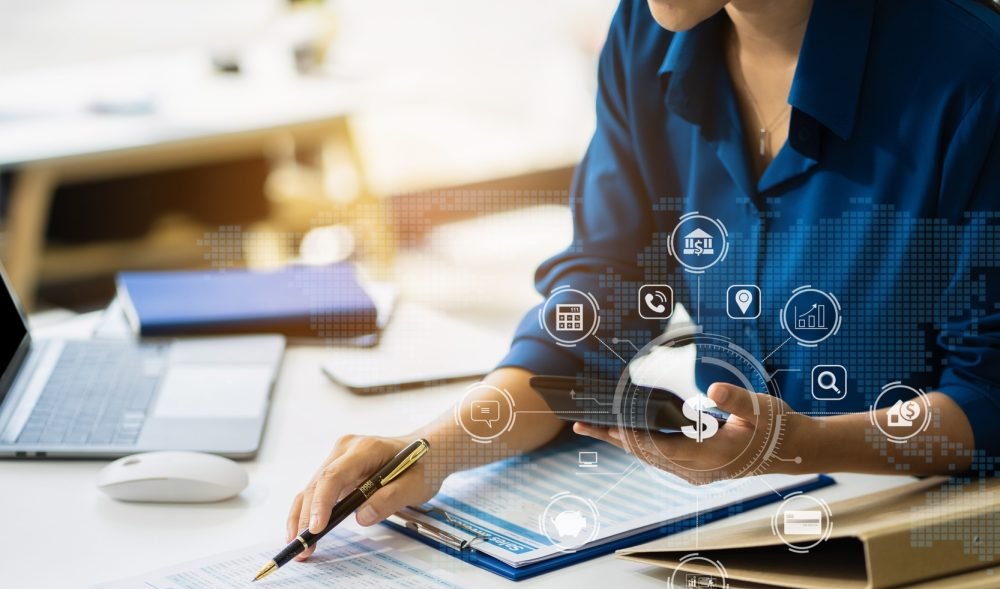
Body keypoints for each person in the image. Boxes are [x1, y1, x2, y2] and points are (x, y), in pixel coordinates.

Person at [287, 0, 1000, 556]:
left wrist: (799, 445)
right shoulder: (650, 32)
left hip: (931, 550)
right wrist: (433, 448)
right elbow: (602, 306)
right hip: (750, 540)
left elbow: (990, 397)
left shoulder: (974, 74)